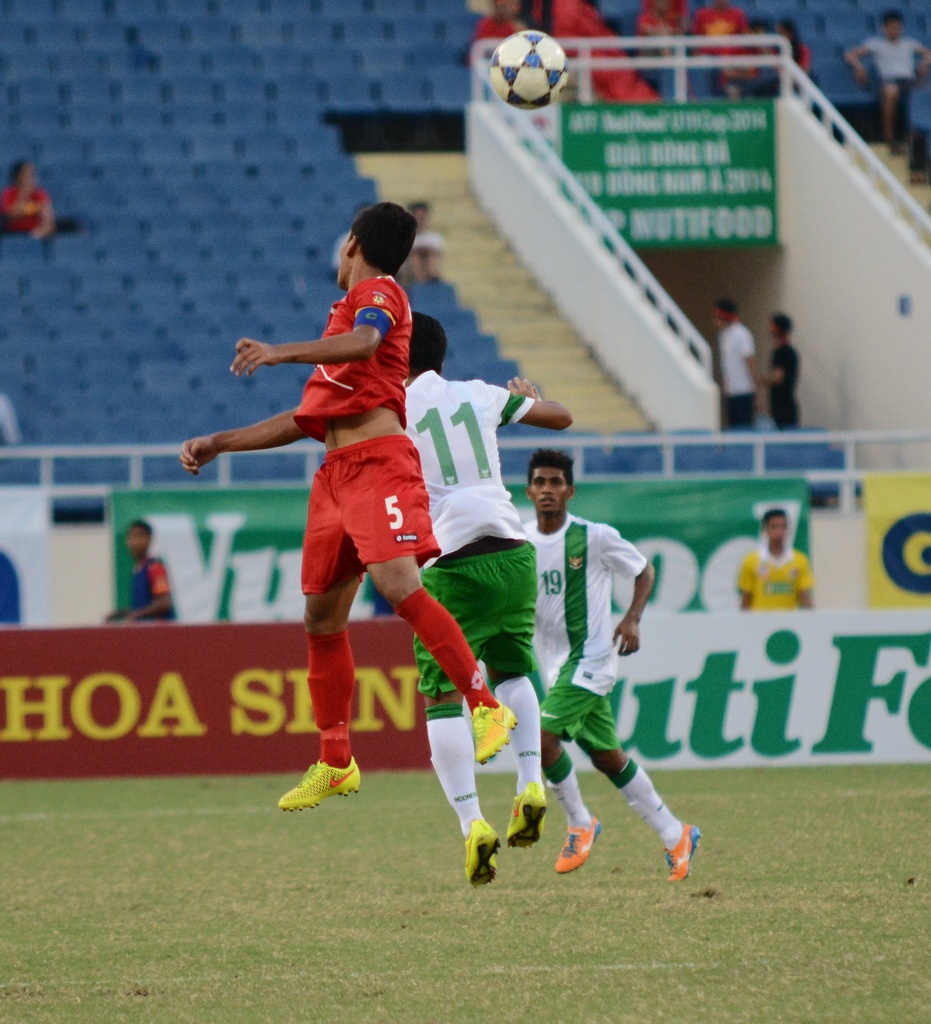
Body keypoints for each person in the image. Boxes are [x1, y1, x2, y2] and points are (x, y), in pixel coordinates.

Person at [179, 202, 516, 812]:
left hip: (379, 465)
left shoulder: (382, 295)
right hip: (334, 475)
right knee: (321, 620)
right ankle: (336, 761)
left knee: (399, 585)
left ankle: (486, 708)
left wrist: (279, 352)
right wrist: (220, 443)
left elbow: (365, 343)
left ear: (352, 244)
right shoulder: (340, 323)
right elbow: (306, 420)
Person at [405, 311, 573, 886]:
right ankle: (530, 781)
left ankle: (473, 824)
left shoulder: (391, 411)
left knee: (441, 695)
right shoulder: (480, 394)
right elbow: (561, 418)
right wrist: (527, 397)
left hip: (452, 560)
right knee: (512, 670)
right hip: (513, 548)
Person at [523, 449, 701, 880]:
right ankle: (676, 832)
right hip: (556, 664)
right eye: (540, 482)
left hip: (593, 658)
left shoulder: (595, 536)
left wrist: (633, 617)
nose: (548, 489)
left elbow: (643, 569)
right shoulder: (521, 541)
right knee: (609, 759)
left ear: (570, 490)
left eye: (556, 482)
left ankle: (581, 823)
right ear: (529, 491)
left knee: (542, 737)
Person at [845, 11, 931, 152]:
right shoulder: (876, 44)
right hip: (889, 81)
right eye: (891, 27)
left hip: (909, 81)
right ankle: (890, 137)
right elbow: (850, 55)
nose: (894, 30)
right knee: (891, 92)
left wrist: (924, 63)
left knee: (925, 92)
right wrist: (859, 67)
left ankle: (920, 138)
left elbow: (928, 54)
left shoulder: (910, 43)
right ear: (884, 28)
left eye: (897, 27)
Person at [738, 507, 814, 610]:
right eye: (774, 527)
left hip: (788, 623)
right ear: (765, 529)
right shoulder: (751, 561)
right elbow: (746, 598)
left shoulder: (800, 560)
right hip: (761, 623)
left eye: (783, 527)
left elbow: (804, 596)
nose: (779, 532)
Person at [105, 520, 175, 622]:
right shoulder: (137, 570)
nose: (134, 542)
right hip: (143, 632)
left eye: (139, 537)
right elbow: (143, 606)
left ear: (149, 539)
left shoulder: (155, 568)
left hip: (158, 633)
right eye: (131, 537)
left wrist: (137, 614)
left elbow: (164, 603)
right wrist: (122, 613)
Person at [713, 298, 761, 429]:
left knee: (744, 430)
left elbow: (750, 363)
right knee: (732, 430)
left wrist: (756, 393)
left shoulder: (741, 334)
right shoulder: (723, 336)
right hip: (731, 392)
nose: (715, 321)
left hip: (744, 391)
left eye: (717, 317)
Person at [691, 0, 752, 95]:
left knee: (744, 66)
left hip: (732, 57)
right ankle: (705, 101)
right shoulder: (702, 14)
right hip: (709, 56)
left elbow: (744, 40)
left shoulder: (738, 13)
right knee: (702, 64)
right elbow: (696, 42)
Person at [764, 312, 800, 429]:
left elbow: (778, 378)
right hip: (785, 405)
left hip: (782, 407)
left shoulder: (781, 352)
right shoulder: (790, 351)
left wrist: (760, 380)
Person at [1, 161, 55, 238]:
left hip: (34, 233)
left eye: (32, 174)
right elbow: (12, 216)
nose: (30, 178)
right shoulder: (9, 193)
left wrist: (40, 232)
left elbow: (48, 220)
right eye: (26, 174)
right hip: (12, 234)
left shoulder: (40, 194)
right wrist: (24, 194)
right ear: (17, 176)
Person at [398, 201, 445, 286]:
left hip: (428, 270)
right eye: (418, 217)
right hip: (408, 275)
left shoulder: (435, 238)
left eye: (422, 217)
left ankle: (431, 279)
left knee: (429, 255)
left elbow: (437, 254)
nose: (420, 220)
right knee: (414, 256)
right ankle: (420, 281)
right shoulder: (403, 238)